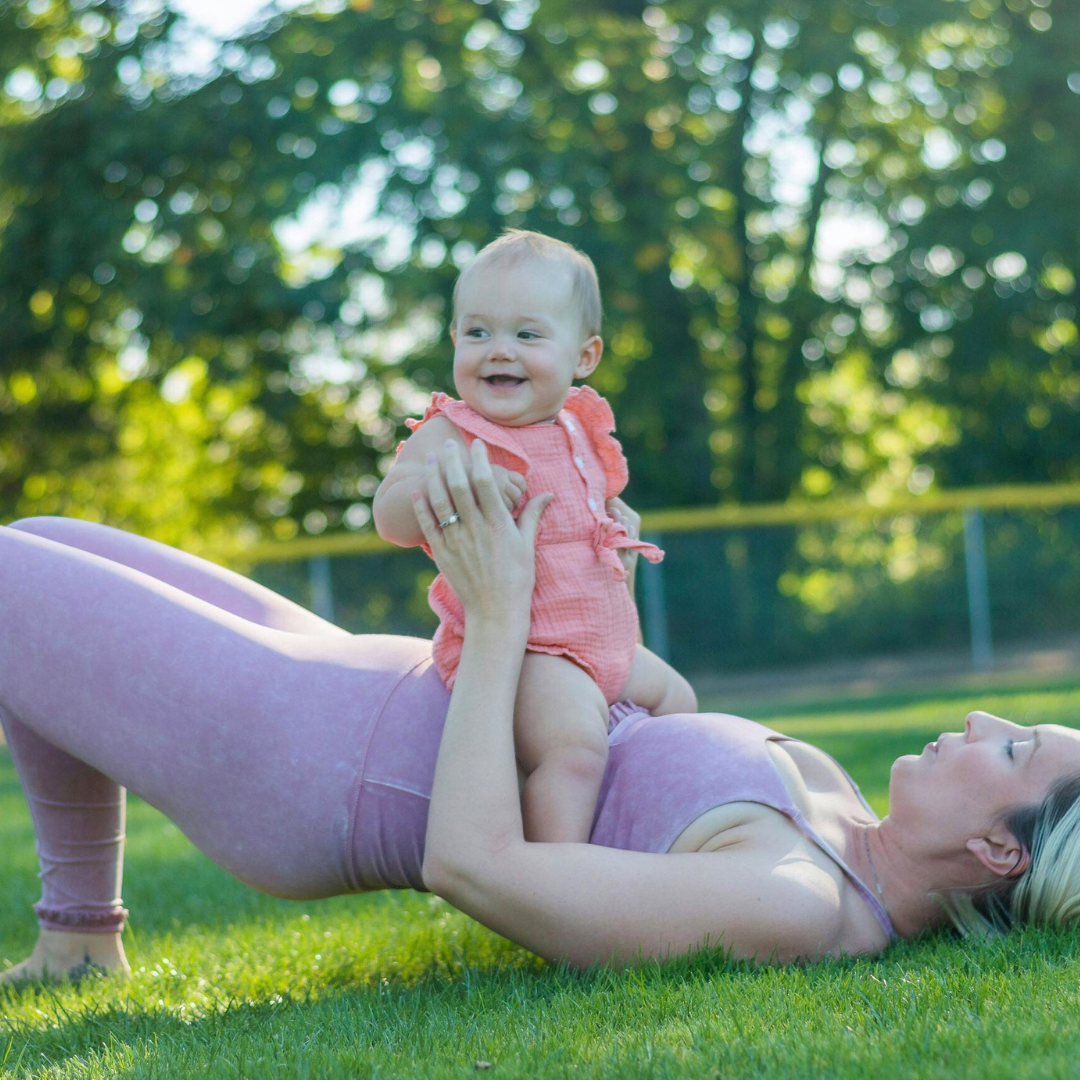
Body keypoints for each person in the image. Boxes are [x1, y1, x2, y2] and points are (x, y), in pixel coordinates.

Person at [3, 443, 1080, 982]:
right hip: (362, 681)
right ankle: (77, 939)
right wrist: (584, 579)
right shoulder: (842, 822)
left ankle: (81, 940)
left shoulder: (796, 904)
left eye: (1015, 748)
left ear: (999, 849)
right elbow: (657, 746)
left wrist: (504, 605)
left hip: (309, 757)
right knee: (43, 541)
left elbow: (477, 867)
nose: (984, 720)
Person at [374, 229, 696, 843]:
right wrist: (466, 487)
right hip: (527, 653)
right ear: (454, 341)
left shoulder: (577, 428)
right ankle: (551, 880)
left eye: (527, 334)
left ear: (584, 357)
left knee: (680, 702)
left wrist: (615, 518)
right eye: (477, 332)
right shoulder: (455, 433)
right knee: (573, 750)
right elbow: (389, 515)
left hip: (604, 642)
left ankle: (646, 836)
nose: (499, 350)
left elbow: (580, 509)